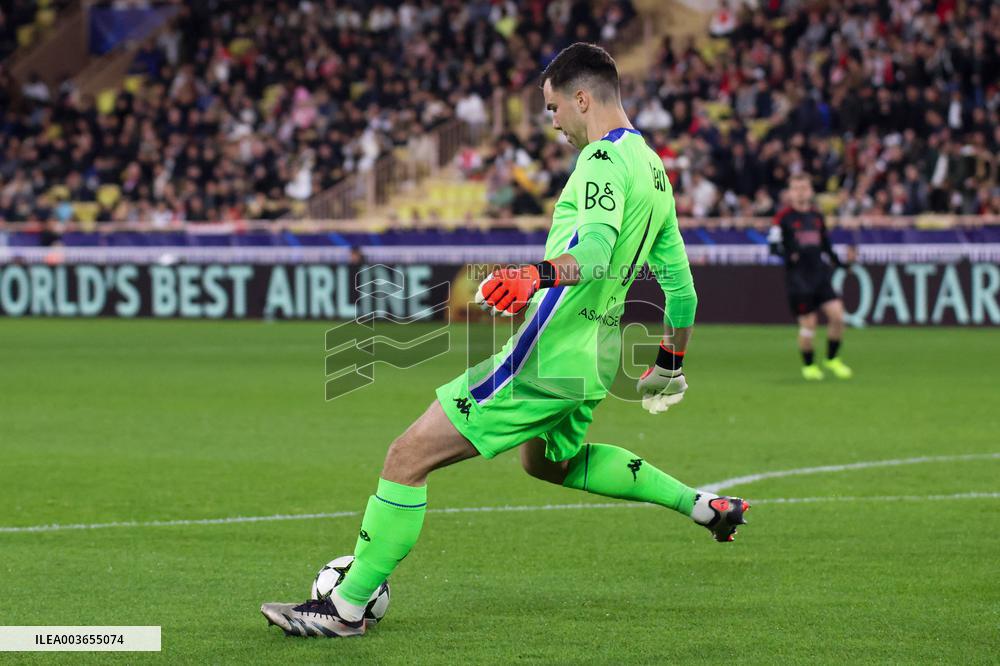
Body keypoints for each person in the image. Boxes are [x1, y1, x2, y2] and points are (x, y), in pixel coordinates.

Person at [261, 43, 750, 638]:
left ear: (581, 98)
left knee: (406, 457)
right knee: (552, 463)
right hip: (595, 359)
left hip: (546, 355)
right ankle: (704, 506)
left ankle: (345, 607)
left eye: (552, 109)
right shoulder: (654, 170)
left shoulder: (601, 161)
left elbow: (593, 254)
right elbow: (683, 291)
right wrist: (669, 361)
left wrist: (535, 273)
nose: (553, 123)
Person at [768, 173, 853, 380]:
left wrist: (842, 263)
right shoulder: (783, 218)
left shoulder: (816, 216)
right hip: (799, 280)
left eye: (804, 188)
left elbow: (826, 246)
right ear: (790, 192)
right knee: (809, 324)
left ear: (810, 191)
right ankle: (809, 366)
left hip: (820, 275)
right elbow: (773, 247)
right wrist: (789, 256)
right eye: (796, 188)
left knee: (838, 317)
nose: (800, 192)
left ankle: (832, 359)